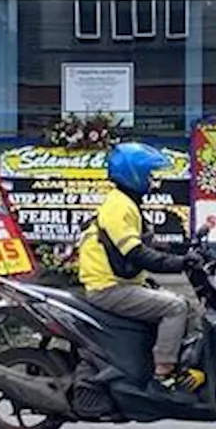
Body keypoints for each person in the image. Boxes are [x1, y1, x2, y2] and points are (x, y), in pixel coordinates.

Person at [76, 141, 204, 394]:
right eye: (148, 174)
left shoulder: (126, 203)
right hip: (109, 288)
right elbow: (137, 254)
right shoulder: (119, 207)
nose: (152, 180)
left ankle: (171, 366)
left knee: (186, 308)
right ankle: (162, 374)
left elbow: (149, 246)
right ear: (133, 174)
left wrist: (185, 250)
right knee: (175, 307)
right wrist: (179, 264)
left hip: (121, 283)